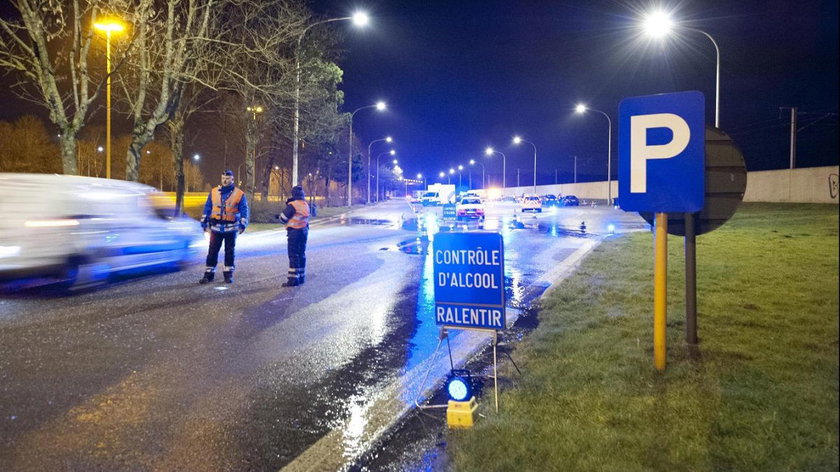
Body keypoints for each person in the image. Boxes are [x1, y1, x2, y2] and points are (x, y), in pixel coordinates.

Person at [199, 170, 248, 284]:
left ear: (232, 179)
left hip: (231, 228)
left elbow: (244, 210)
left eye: (227, 178)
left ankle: (228, 275)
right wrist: (204, 223)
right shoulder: (214, 192)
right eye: (223, 178)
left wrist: (243, 224)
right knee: (212, 252)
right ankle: (208, 275)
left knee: (229, 252)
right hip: (216, 228)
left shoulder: (239, 194)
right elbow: (207, 208)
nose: (225, 180)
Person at [278, 185, 310, 287]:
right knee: (301, 254)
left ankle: (293, 279)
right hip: (304, 232)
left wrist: (278, 216)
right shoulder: (305, 204)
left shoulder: (293, 205)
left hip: (294, 233)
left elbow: (283, 218)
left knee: (293, 255)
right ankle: (301, 276)